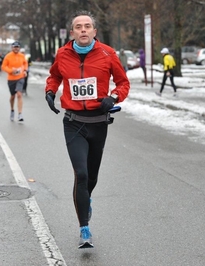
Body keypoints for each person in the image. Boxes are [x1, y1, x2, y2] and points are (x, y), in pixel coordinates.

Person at [44, 10, 130, 249]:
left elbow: (123, 83)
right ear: (72, 32)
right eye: (78, 26)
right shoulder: (63, 54)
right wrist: (50, 92)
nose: (83, 30)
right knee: (81, 174)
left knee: (91, 177)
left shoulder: (107, 54)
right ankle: (84, 229)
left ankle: (86, 199)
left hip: (98, 123)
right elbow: (54, 77)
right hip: (73, 123)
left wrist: (113, 97)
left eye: (87, 26)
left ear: (94, 31)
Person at [1, 41, 27, 122]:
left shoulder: (22, 56)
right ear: (12, 48)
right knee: (13, 96)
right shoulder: (8, 56)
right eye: (14, 47)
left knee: (19, 94)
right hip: (11, 79)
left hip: (20, 77)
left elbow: (25, 64)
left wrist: (25, 70)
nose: (16, 48)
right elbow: (3, 67)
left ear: (19, 48)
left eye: (17, 47)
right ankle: (12, 110)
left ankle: (20, 114)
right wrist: (11, 70)